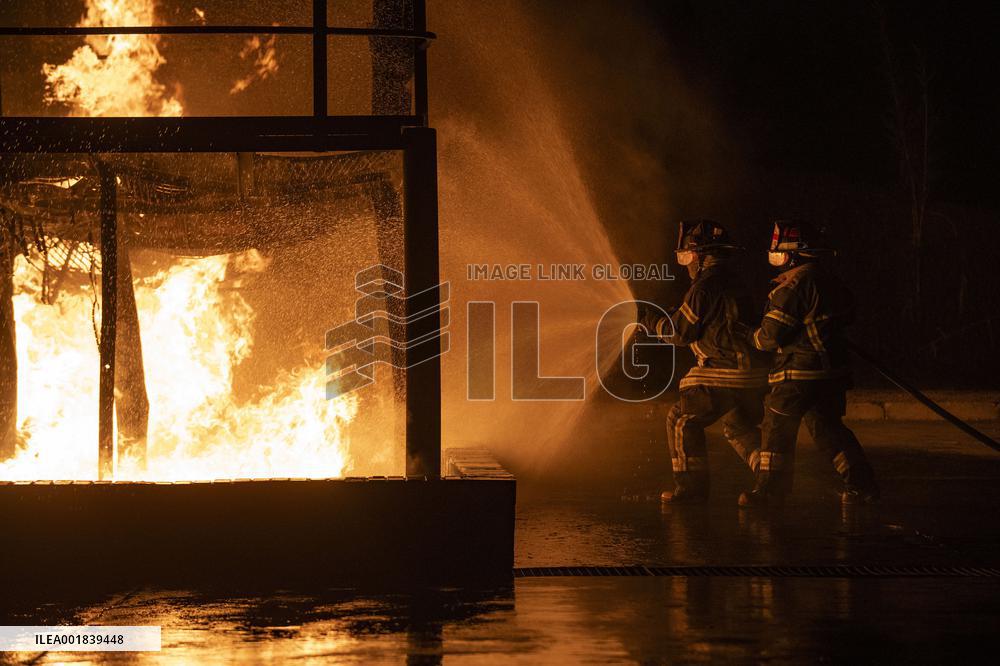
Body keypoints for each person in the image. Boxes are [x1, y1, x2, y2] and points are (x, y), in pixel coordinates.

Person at [739, 220, 879, 507]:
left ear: (794, 254)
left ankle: (770, 491)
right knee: (828, 429)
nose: (775, 257)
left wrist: (747, 333)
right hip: (832, 372)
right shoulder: (830, 281)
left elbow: (769, 337)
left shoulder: (793, 286)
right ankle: (862, 485)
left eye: (779, 251)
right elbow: (847, 314)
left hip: (799, 372)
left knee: (777, 426)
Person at [638, 220, 770, 504]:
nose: (685, 265)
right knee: (738, 427)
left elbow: (680, 333)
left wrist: (648, 319)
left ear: (701, 256)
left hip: (723, 374)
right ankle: (768, 479)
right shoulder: (734, 282)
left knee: (680, 420)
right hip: (754, 376)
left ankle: (691, 490)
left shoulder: (703, 287)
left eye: (686, 257)